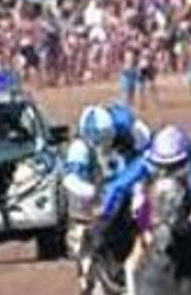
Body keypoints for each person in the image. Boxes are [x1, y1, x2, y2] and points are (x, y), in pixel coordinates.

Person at [63, 103, 152, 258]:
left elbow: (148, 155)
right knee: (81, 226)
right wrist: (94, 192)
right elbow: (70, 179)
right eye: (96, 142)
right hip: (100, 188)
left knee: (143, 206)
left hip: (131, 176)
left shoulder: (132, 128)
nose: (102, 146)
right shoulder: (80, 144)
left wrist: (138, 185)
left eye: (104, 140)